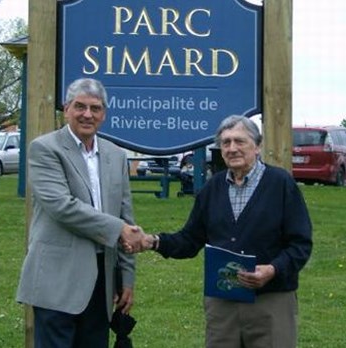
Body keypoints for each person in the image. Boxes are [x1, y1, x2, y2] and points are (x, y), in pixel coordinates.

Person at [139, 115, 313, 348]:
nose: (232, 148)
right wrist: (153, 241)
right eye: (226, 142)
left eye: (240, 141)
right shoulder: (213, 187)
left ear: (257, 146)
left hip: (271, 301)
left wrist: (273, 270)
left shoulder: (280, 184)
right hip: (223, 303)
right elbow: (190, 239)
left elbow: (300, 244)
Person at [16, 77, 144, 348]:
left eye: (95, 108)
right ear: (66, 109)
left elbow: (126, 217)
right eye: (80, 106)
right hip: (57, 279)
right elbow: (62, 207)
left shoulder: (116, 155)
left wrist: (127, 278)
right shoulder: (44, 149)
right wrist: (118, 229)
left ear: (104, 114)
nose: (88, 114)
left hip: (102, 279)